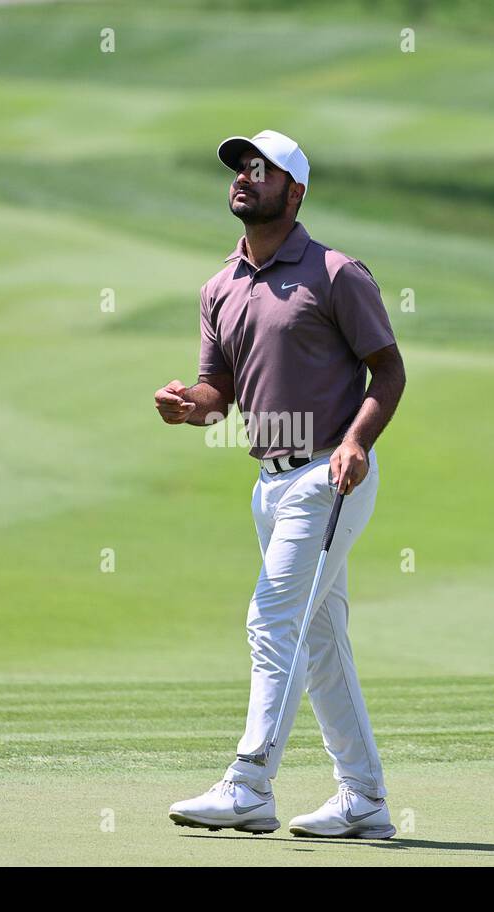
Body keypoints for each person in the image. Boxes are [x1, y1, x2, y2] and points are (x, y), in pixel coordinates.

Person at [154, 130, 406, 839]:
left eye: (261, 171)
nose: (245, 178)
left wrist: (357, 442)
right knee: (319, 642)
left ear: (294, 193)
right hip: (269, 484)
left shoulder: (336, 273)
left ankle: (249, 784)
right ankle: (365, 799)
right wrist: (189, 407)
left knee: (272, 622)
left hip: (330, 475)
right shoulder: (220, 285)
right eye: (240, 168)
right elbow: (217, 393)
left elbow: (389, 371)